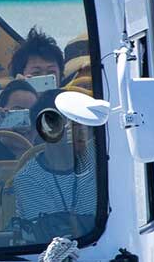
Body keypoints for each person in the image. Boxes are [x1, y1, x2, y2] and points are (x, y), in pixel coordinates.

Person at [13, 90, 100, 236]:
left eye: (83, 122)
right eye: (71, 121)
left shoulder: (100, 155)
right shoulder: (28, 179)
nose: (82, 129)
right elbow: (53, 237)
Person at [0, 78, 40, 163]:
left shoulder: (46, 152)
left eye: (32, 115)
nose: (27, 124)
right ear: (1, 113)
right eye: (18, 115)